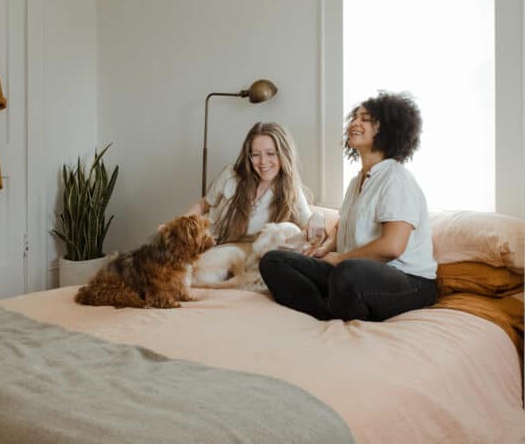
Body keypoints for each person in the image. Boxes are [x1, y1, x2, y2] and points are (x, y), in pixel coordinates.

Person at [259, 91, 438, 321]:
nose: (354, 123)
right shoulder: (357, 181)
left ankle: (336, 302)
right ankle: (326, 311)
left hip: (409, 282)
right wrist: (325, 249)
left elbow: (392, 247)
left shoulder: (396, 178)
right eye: (354, 117)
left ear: (387, 129)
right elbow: (342, 225)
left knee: (346, 273)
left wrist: (340, 259)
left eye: (365, 119)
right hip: (353, 272)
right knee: (273, 261)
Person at [186, 122, 312, 243]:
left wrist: (319, 218)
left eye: (270, 154)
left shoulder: (291, 191)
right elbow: (203, 205)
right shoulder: (231, 175)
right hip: (200, 241)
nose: (263, 161)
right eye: (256, 154)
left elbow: (308, 225)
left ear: (284, 154)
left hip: (232, 253)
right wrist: (179, 226)